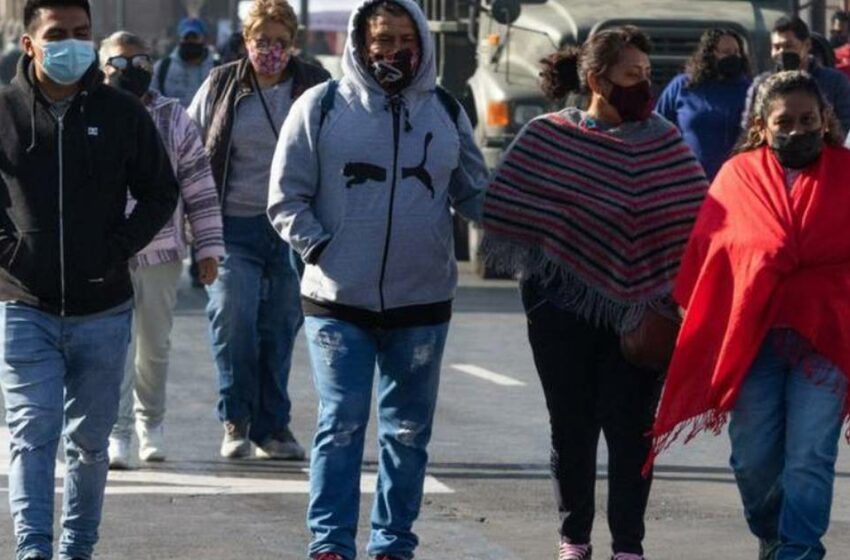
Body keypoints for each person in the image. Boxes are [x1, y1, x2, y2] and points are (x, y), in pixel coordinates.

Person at [267, 0, 488, 557]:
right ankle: (331, 543)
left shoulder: (445, 109)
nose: (392, 51)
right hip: (337, 302)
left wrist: (537, 214)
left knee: (408, 435)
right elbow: (285, 197)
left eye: (403, 40)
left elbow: (474, 193)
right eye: (381, 39)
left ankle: (393, 544)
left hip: (423, 302)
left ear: (422, 44)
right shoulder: (320, 108)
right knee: (340, 424)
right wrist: (321, 248)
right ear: (361, 43)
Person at [479, 28, 709, 560]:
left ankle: (628, 545)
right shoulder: (547, 136)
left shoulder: (664, 140)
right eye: (632, 76)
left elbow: (698, 220)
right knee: (572, 428)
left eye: (648, 76)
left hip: (642, 316)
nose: (643, 86)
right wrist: (547, 270)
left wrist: (670, 287)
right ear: (596, 80)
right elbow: (505, 209)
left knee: (634, 433)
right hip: (561, 309)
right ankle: (574, 538)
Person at [0, 1, 179, 558]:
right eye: (58, 34)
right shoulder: (2, 112)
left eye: (82, 33)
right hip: (24, 303)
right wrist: (7, 254)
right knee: (32, 434)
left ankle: (78, 547)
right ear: (30, 43)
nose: (71, 45)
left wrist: (119, 248)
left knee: (90, 443)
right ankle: (33, 548)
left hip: (102, 308)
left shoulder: (123, 114)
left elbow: (160, 191)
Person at [651, 71, 850, 560]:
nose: (798, 130)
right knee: (752, 460)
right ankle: (773, 532)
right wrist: (768, 255)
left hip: (825, 338)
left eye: (808, 119)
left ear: (825, 119)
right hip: (753, 338)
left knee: (809, 457)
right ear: (763, 125)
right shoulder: (737, 176)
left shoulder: (847, 173)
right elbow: (713, 250)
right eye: (786, 121)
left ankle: (797, 550)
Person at [189, 0, 329, 461]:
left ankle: (273, 426)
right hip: (232, 225)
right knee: (233, 317)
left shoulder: (316, 86)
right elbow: (189, 147)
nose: (270, 50)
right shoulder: (222, 83)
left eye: (279, 41)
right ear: (245, 41)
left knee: (279, 327)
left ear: (293, 43)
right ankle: (236, 418)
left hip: (293, 230)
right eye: (261, 41)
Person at [99, 31, 225, 469]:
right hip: (103, 254)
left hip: (159, 251)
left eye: (141, 62)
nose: (130, 71)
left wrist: (208, 246)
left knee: (153, 347)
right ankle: (115, 432)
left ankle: (150, 423)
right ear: (101, 66)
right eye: (120, 62)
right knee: (112, 345)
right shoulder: (85, 111)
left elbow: (198, 184)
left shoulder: (172, 117)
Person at [655, 28, 751, 180]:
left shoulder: (749, 91)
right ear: (710, 54)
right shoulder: (682, 86)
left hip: (733, 181)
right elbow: (657, 130)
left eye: (737, 52)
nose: (733, 57)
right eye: (726, 52)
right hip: (687, 182)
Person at [742, 15, 850, 135]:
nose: (782, 52)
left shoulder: (835, 82)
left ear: (807, 45)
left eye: (789, 46)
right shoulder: (762, 85)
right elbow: (749, 128)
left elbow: (845, 125)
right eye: (776, 47)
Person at [152, 16, 216, 108]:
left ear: (204, 39)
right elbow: (152, 100)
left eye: (194, 37)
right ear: (180, 39)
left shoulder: (216, 68)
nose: (190, 41)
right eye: (186, 38)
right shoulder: (162, 68)